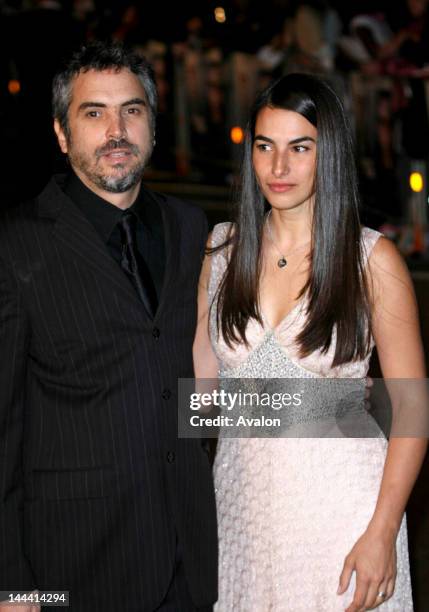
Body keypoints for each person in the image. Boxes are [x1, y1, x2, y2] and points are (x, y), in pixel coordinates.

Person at [193, 73, 427, 610]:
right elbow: (200, 399)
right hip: (239, 507)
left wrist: (383, 531)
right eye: (265, 146)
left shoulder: (372, 261)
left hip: (343, 513)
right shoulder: (220, 251)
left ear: (331, 154)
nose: (279, 168)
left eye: (300, 148)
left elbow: (412, 404)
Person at [0, 42, 217, 612]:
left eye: (133, 110)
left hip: (190, 564)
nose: (116, 130)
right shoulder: (16, 242)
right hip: (71, 571)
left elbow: (202, 391)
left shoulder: (192, 228)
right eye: (93, 113)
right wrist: (13, 585)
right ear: (62, 134)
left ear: (152, 124)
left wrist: (351, 407)